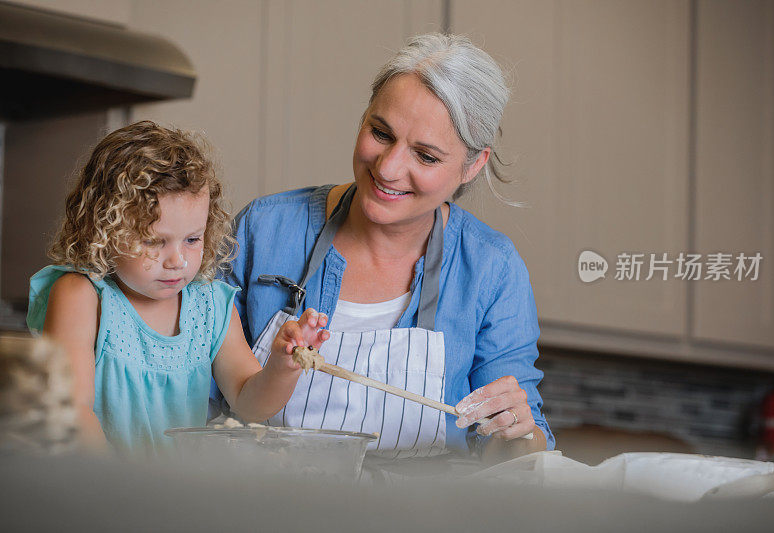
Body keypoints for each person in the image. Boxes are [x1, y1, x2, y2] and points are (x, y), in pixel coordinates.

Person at [222, 33, 555, 462]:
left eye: (427, 156)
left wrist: (518, 435)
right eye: (381, 133)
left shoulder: (493, 269)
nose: (389, 168)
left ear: (473, 165)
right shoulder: (264, 230)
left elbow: (516, 450)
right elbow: (198, 397)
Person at [27, 121, 330, 456]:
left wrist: (281, 366)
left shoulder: (210, 304)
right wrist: (118, 489)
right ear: (104, 230)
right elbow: (70, 411)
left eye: (192, 239)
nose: (177, 260)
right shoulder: (81, 297)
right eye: (153, 241)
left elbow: (249, 402)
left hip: (179, 498)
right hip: (100, 491)